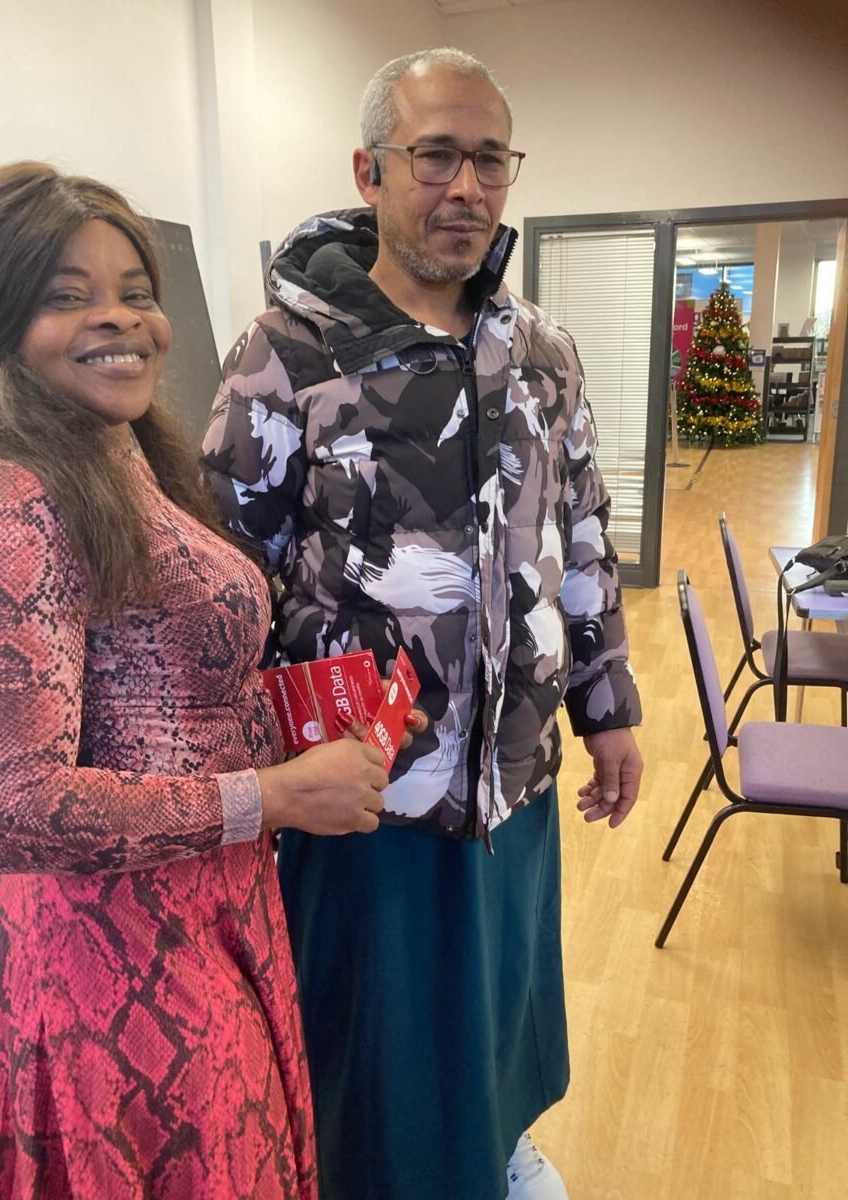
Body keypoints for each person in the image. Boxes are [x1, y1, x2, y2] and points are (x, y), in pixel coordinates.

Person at [202, 48, 643, 1200]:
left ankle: (493, 1148)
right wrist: (256, 767)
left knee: (499, 1005)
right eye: (435, 155)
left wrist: (607, 710)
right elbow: (222, 578)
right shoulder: (287, 353)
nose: (466, 187)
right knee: (374, 1045)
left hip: (511, 770)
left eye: (490, 160)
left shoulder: (542, 351)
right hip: (365, 784)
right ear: (371, 171)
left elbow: (581, 536)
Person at [0, 162, 422, 1200]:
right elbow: (10, 811)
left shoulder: (117, 451)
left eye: (134, 291)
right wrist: (276, 795)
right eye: (66, 295)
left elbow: (163, 688)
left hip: (199, 915)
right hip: (110, 974)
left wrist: (310, 720)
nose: (119, 319)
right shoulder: (12, 502)